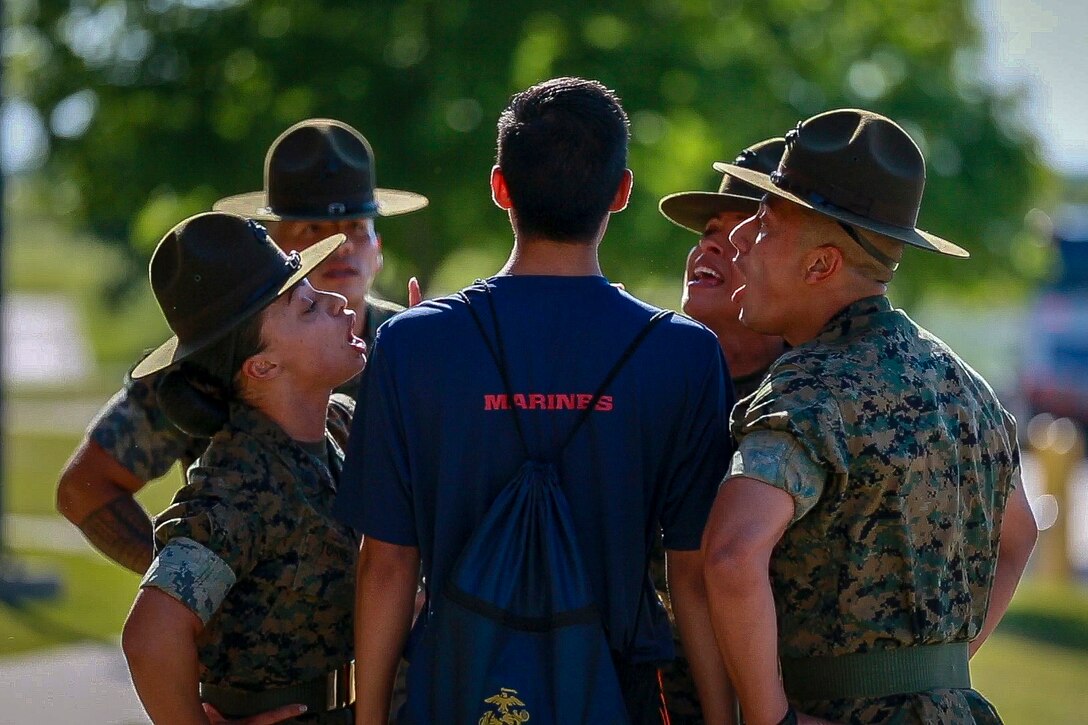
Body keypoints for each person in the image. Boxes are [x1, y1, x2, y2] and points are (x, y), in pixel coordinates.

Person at [335, 77, 735, 724]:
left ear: (500, 188)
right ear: (622, 191)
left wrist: (370, 717)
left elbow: (386, 564)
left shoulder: (411, 344)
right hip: (613, 694)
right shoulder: (683, 355)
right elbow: (693, 576)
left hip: (454, 691)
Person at [702, 109, 1039, 725]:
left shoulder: (809, 388)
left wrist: (768, 716)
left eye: (766, 223)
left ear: (821, 265)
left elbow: (729, 553)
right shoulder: (966, 386)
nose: (742, 237)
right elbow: (1020, 536)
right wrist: (938, 670)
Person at [56, 118, 427, 576]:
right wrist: (193, 588)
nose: (340, 246)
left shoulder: (417, 344)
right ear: (275, 249)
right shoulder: (211, 361)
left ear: (378, 247)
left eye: (355, 226)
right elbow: (86, 487)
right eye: (313, 229)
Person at [121, 212, 364, 724]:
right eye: (308, 307)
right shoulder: (241, 482)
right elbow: (151, 633)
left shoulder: (336, 425)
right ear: (263, 366)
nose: (339, 302)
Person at [652, 138, 788, 724]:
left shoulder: (804, 398)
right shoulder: (648, 381)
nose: (710, 242)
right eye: (708, 229)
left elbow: (1015, 533)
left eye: (738, 234)